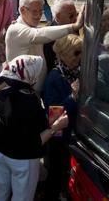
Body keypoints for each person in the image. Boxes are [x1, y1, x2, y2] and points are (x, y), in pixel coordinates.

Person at [0, 55, 69, 201]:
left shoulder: (4, 88)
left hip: (0, 149)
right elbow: (34, 141)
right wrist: (56, 127)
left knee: (1, 189)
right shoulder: (28, 103)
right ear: (29, 75)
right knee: (22, 196)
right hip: (22, 159)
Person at [6, 0, 83, 93]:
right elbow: (39, 34)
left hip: (34, 93)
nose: (38, 16)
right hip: (21, 94)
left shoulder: (29, 26)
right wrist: (74, 26)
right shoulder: (16, 29)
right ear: (22, 10)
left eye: (41, 11)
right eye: (34, 11)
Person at [42, 34, 82, 201]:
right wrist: (72, 97)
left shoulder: (77, 73)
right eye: (76, 52)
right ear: (64, 54)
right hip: (59, 137)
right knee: (56, 173)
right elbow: (55, 115)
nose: (80, 57)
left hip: (74, 133)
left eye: (81, 52)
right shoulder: (54, 78)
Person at [43, 0, 78, 72]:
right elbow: (49, 64)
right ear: (58, 16)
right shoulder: (48, 35)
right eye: (71, 16)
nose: (75, 19)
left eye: (77, 14)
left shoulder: (74, 28)